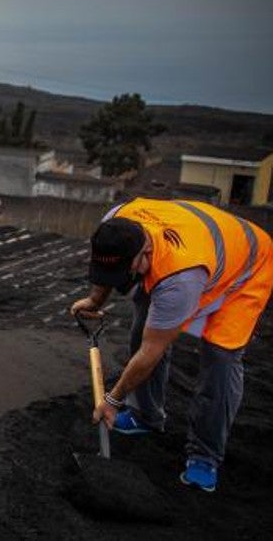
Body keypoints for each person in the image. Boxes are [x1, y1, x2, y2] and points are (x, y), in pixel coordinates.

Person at [71, 198, 273, 492]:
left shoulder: (180, 278)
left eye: (126, 271)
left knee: (220, 357)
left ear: (145, 253)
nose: (120, 280)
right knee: (143, 325)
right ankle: (146, 415)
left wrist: (112, 400)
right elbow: (111, 265)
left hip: (248, 268)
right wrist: (95, 300)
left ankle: (205, 456)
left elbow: (152, 352)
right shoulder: (115, 224)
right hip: (204, 244)